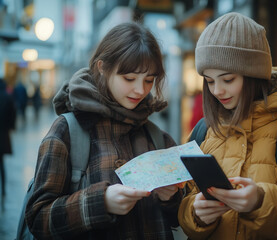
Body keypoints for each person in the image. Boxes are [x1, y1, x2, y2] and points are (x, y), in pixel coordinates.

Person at [178, 12, 277, 239]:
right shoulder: (204, 131)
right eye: (209, 81)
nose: (217, 91)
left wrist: (261, 201)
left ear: (253, 75)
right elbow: (186, 209)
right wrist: (196, 214)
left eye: (228, 79)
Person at [25, 22, 182, 239]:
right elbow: (37, 218)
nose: (140, 90)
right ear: (102, 67)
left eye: (149, 80)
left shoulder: (156, 136)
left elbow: (179, 217)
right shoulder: (68, 130)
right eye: (129, 78)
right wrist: (101, 202)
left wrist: (171, 198)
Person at [0, 78, 16, 198]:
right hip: (3, 134)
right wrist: (11, 126)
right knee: (2, 164)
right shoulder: (7, 97)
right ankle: (3, 188)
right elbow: (12, 113)